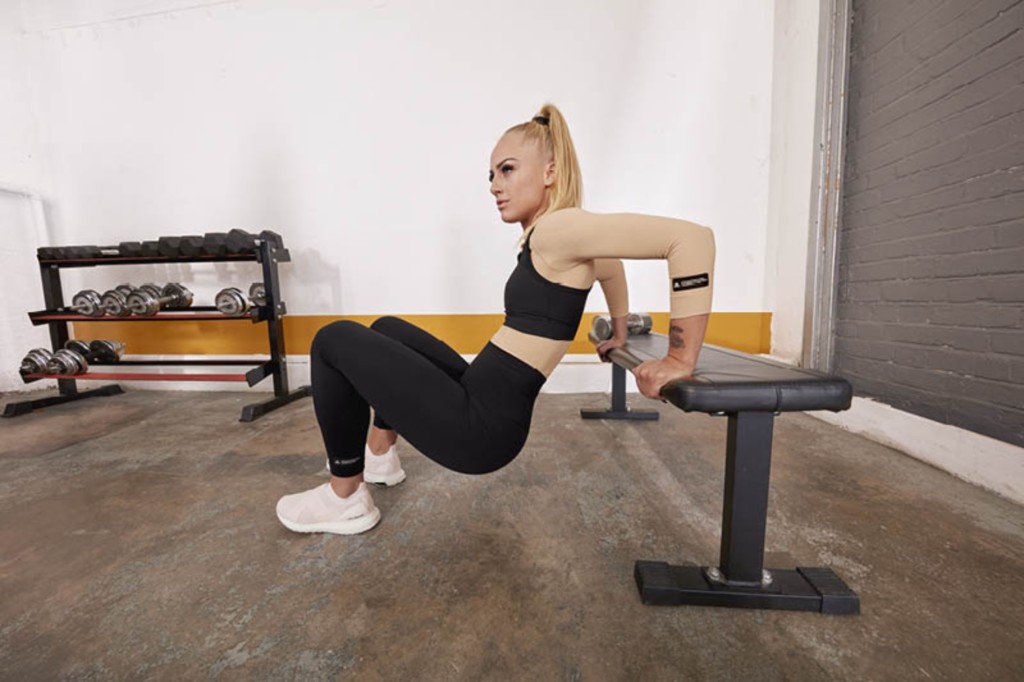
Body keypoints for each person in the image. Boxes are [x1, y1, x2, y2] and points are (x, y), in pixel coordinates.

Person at [276, 104, 716, 535]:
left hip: (479, 430)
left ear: (549, 172)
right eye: (491, 175)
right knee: (387, 329)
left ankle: (345, 496)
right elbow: (611, 266)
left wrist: (680, 359)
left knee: (333, 339)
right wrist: (618, 331)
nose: (494, 186)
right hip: (482, 398)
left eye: (507, 170)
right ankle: (380, 456)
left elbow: (690, 240)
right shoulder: (560, 237)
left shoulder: (558, 229)